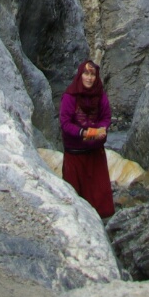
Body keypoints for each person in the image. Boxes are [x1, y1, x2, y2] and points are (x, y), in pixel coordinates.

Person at [59, 59, 114, 219]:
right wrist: (84, 132)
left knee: (100, 195)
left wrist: (102, 129)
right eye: (86, 74)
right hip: (75, 155)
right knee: (75, 197)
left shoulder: (100, 95)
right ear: (80, 75)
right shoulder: (70, 96)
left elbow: (106, 116)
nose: (89, 78)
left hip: (95, 152)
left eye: (92, 75)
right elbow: (65, 123)